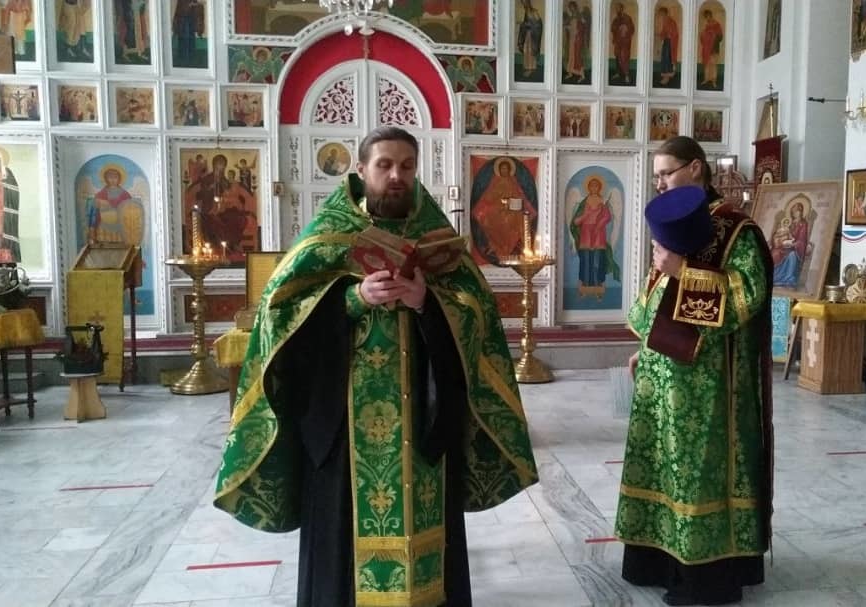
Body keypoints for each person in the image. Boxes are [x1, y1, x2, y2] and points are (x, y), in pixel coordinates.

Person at [213, 126, 538, 607]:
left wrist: (428, 302)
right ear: (361, 170)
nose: (396, 175)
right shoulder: (328, 233)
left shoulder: (435, 235)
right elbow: (278, 317)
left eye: (406, 166)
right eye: (384, 165)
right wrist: (352, 298)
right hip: (344, 430)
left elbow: (477, 318)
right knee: (341, 553)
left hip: (424, 422)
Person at [616, 136, 773, 606]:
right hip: (661, 374)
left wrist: (684, 270)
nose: (660, 183)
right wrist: (646, 345)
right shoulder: (673, 221)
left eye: (666, 172)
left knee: (696, 471)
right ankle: (656, 560)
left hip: (710, 385)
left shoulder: (737, 230)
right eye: (657, 176)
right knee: (660, 466)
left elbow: (746, 296)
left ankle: (704, 576)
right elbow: (657, 294)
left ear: (696, 169)